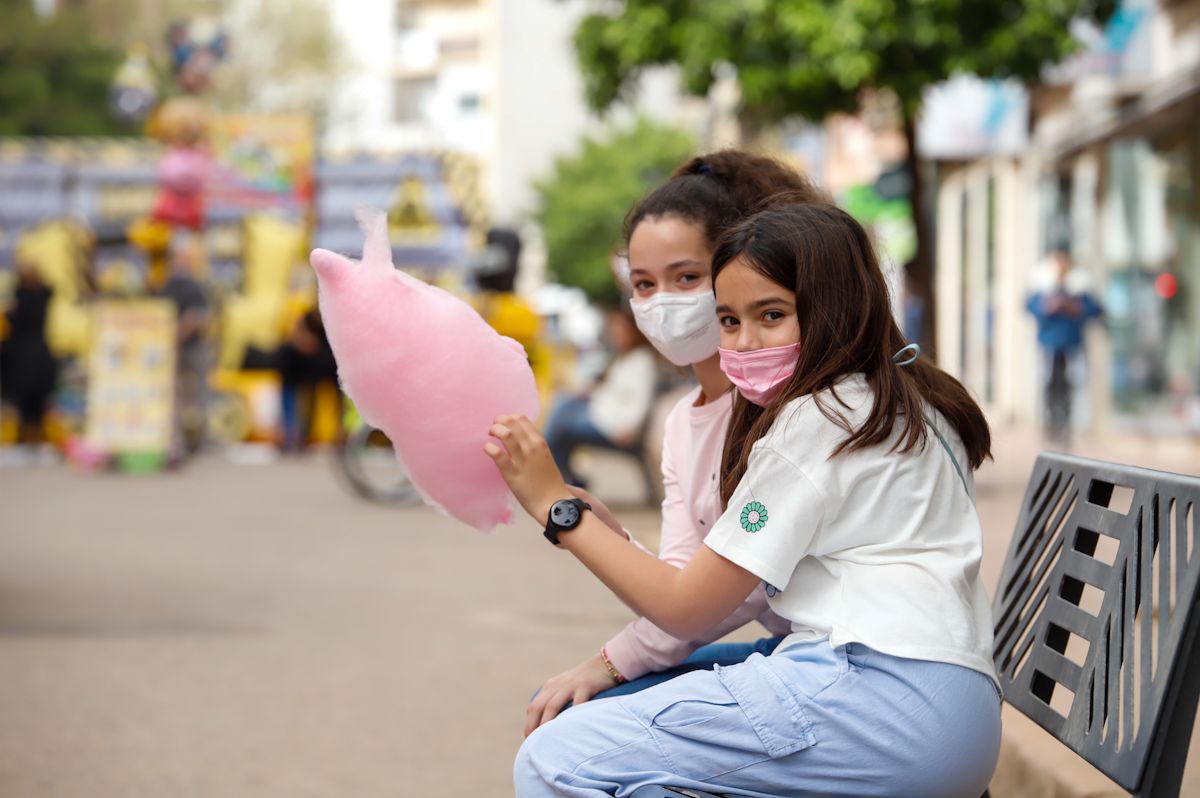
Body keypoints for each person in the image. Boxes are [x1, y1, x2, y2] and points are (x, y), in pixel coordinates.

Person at [486, 202, 1001, 797]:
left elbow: (689, 609)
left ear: (837, 309)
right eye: (729, 321)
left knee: (557, 758)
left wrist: (557, 508)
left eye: (773, 315)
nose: (747, 342)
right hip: (956, 709)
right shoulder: (911, 401)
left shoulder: (817, 420)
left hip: (878, 696)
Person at [524, 151, 825, 735]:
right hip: (798, 660)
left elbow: (708, 604)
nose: (662, 302)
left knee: (574, 725)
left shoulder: (775, 409)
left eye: (686, 278)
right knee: (563, 707)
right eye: (643, 284)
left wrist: (560, 516)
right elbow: (685, 582)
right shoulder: (683, 420)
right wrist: (610, 536)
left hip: (829, 669)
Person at [542, 305, 658, 486]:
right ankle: (564, 478)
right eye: (614, 329)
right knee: (563, 403)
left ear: (634, 331)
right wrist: (591, 391)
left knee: (561, 424)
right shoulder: (625, 358)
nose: (616, 334)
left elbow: (641, 398)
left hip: (615, 426)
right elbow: (615, 390)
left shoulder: (642, 360)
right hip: (604, 416)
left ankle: (554, 475)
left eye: (620, 329)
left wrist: (630, 428)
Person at [1026, 248, 1103, 444]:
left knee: (1069, 387)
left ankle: (1066, 427)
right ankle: (1051, 426)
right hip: (1049, 347)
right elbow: (1031, 307)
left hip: (1071, 347)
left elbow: (1094, 309)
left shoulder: (1078, 287)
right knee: (1049, 387)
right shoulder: (1043, 286)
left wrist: (1073, 307)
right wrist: (1048, 307)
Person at [157, 233, 211, 458]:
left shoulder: (190, 286)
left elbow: (197, 316)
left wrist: (177, 334)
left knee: (195, 396)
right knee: (179, 397)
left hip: (190, 346)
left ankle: (198, 440)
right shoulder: (169, 284)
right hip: (177, 346)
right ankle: (178, 440)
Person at [1, 260, 58, 444]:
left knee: (24, 404)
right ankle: (38, 438)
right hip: (41, 353)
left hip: (21, 357)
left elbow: (13, 327)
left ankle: (25, 438)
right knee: (39, 404)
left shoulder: (19, 301)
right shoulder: (45, 298)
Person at [276, 306, 338, 452]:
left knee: (332, 403)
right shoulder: (308, 318)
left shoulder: (333, 319)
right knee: (302, 403)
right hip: (303, 373)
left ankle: (338, 438)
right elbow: (301, 339)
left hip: (328, 369)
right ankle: (294, 438)